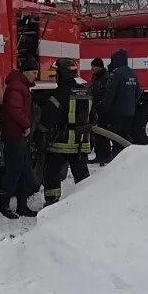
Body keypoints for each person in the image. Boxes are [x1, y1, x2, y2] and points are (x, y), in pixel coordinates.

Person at [37, 59, 91, 206]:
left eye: (56, 74)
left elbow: (49, 117)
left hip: (61, 143)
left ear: (62, 74)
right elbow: (94, 116)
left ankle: (52, 202)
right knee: (82, 175)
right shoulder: (84, 91)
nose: (55, 77)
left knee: (52, 174)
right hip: (81, 142)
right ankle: (88, 202)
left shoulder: (58, 94)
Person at [0, 64, 40, 220]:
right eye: (34, 72)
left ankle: (22, 206)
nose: (36, 75)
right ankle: (4, 206)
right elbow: (14, 109)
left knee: (23, 170)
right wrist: (26, 124)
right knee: (14, 170)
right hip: (14, 135)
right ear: (25, 72)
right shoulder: (16, 88)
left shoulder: (20, 86)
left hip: (18, 135)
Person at [104, 49, 141, 161]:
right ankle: (128, 157)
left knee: (116, 137)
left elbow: (110, 93)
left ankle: (117, 160)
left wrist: (105, 108)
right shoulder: (133, 73)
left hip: (117, 111)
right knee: (127, 135)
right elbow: (138, 91)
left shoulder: (116, 74)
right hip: (130, 111)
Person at [87, 57, 111, 163]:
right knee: (97, 134)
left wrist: (102, 106)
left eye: (94, 66)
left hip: (102, 111)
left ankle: (104, 156)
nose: (92, 68)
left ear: (99, 67)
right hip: (96, 109)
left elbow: (106, 94)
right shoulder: (96, 77)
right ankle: (100, 155)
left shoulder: (105, 78)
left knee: (102, 134)